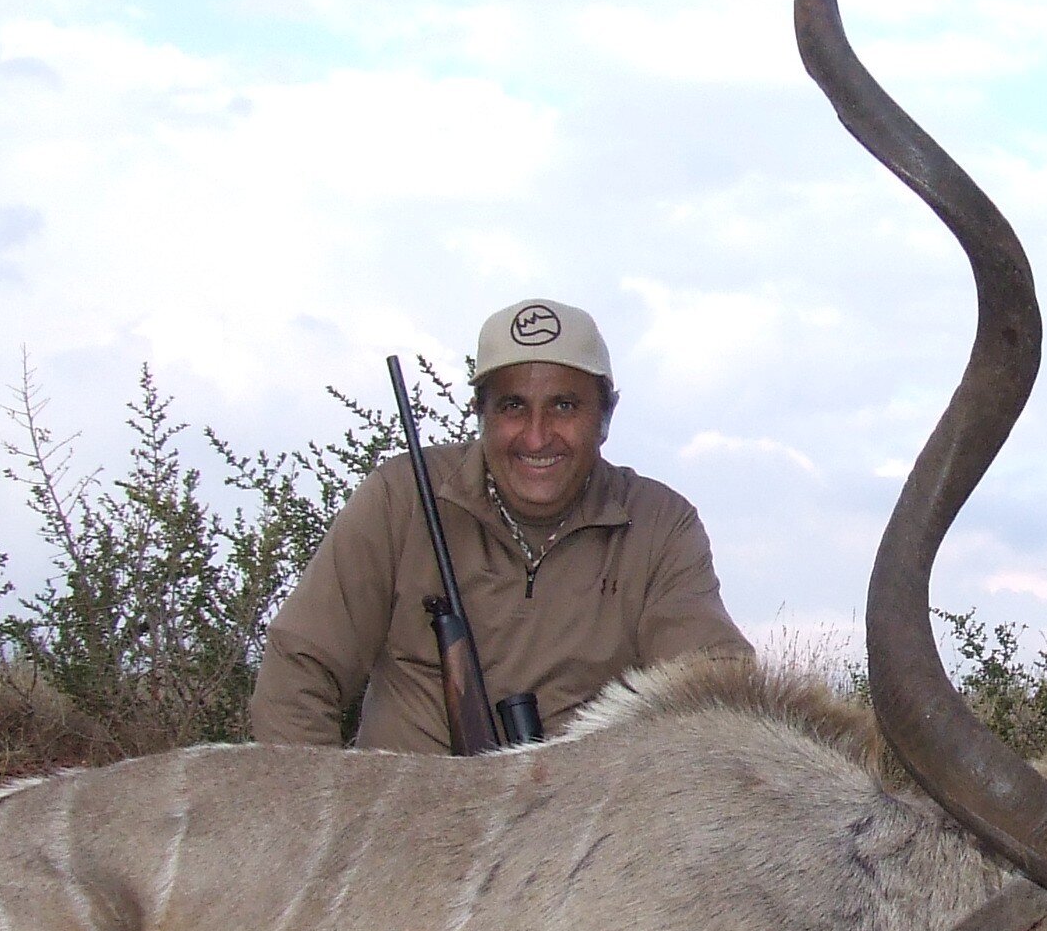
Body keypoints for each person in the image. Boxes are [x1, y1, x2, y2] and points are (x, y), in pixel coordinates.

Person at [251, 297, 752, 751]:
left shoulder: (659, 525)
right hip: (399, 831)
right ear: (481, 414)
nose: (537, 437)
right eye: (513, 406)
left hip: (583, 834)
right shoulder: (399, 498)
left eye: (564, 405)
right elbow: (298, 671)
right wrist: (332, 828)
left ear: (605, 416)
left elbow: (717, 691)